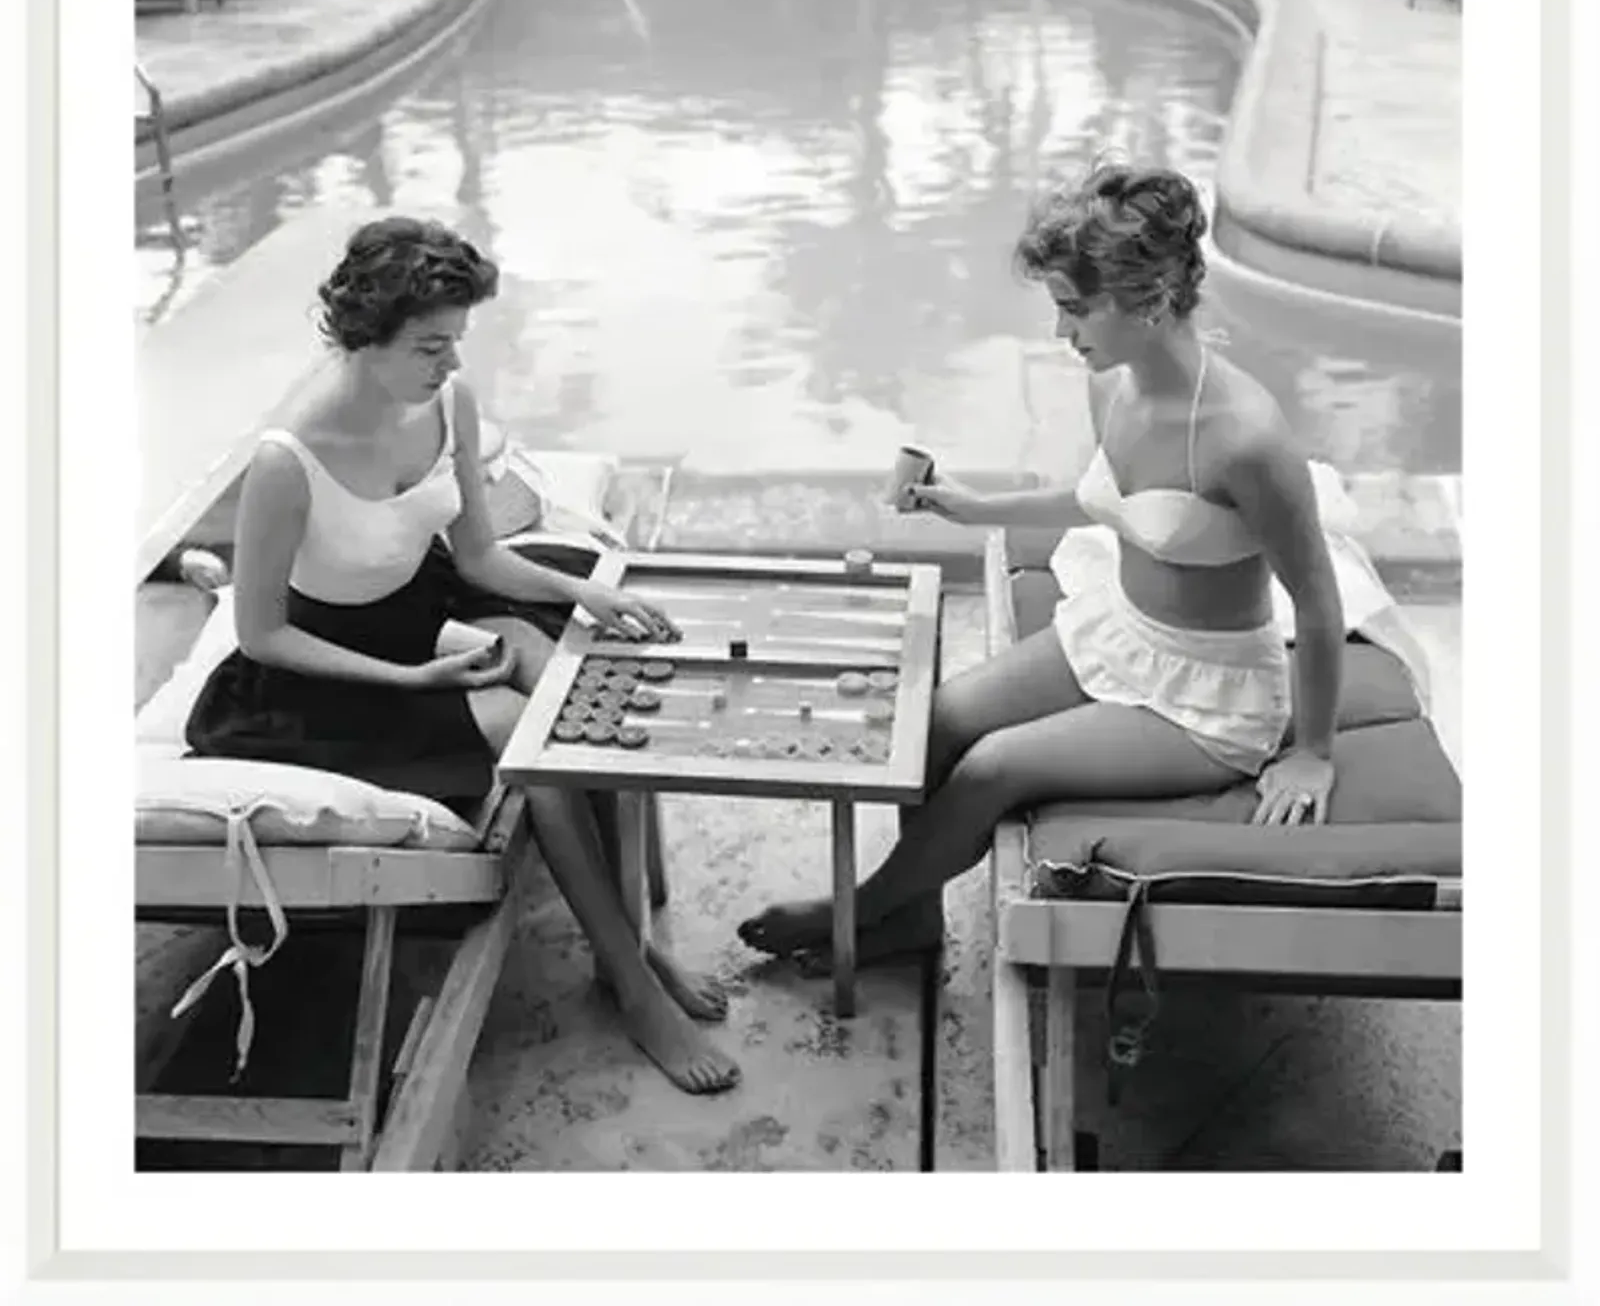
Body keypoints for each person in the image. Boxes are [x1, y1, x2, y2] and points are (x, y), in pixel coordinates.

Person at [739, 159, 1349, 970]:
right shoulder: (1117, 385)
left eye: (1075, 310)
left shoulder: (1246, 439)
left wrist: (1312, 752)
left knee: (993, 765)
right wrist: (972, 507)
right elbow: (1108, 497)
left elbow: (1315, 601)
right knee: (938, 721)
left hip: (1207, 698)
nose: (1063, 334)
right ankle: (910, 916)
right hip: (1121, 634)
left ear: (1152, 300)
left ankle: (857, 911)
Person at [185, 216, 739, 1094]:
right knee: (528, 733)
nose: (450, 363)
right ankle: (629, 983)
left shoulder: (448, 401)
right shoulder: (288, 460)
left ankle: (631, 940)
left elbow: (478, 557)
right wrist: (408, 679)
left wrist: (583, 592)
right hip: (314, 680)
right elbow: (263, 635)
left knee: (585, 673)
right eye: (430, 345)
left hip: (419, 617)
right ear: (365, 336)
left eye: (456, 341)